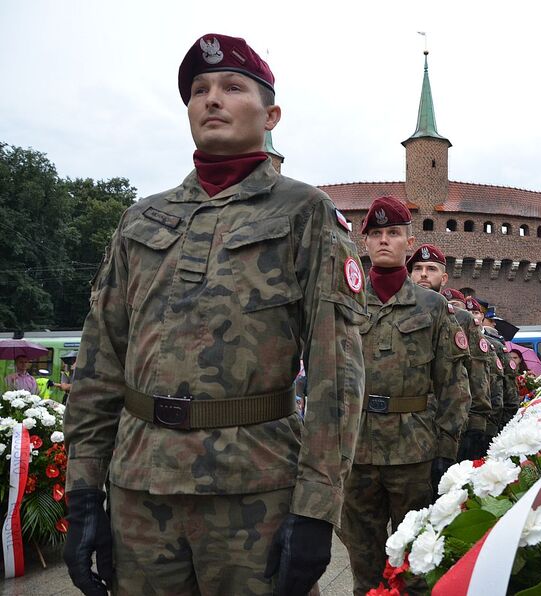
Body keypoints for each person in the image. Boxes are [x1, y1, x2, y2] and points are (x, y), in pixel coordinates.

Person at [62, 33, 366, 596]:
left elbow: (336, 372)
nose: (212, 99)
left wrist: (317, 509)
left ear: (271, 113)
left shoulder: (306, 213)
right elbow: (99, 361)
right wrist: (83, 492)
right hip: (139, 490)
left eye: (232, 87)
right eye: (199, 90)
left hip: (255, 491)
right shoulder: (140, 219)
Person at [338, 197, 471, 596]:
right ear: (365, 244)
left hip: (414, 451)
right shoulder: (345, 299)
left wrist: (445, 454)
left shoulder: (432, 307)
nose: (383, 241)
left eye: (392, 233)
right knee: (364, 564)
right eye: (376, 234)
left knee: (416, 563)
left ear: (407, 241)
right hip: (356, 450)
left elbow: (452, 384)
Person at [407, 243, 492, 462]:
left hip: (448, 423)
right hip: (407, 426)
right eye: (418, 268)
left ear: (444, 278)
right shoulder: (399, 312)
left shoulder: (461, 319)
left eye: (431, 268)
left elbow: (476, 375)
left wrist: (476, 427)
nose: (424, 274)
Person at [465, 296, 506, 439]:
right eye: (467, 311)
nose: (471, 315)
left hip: (482, 424)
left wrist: (490, 430)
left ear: (482, 316)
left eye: (475, 312)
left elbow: (499, 391)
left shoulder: (493, 346)